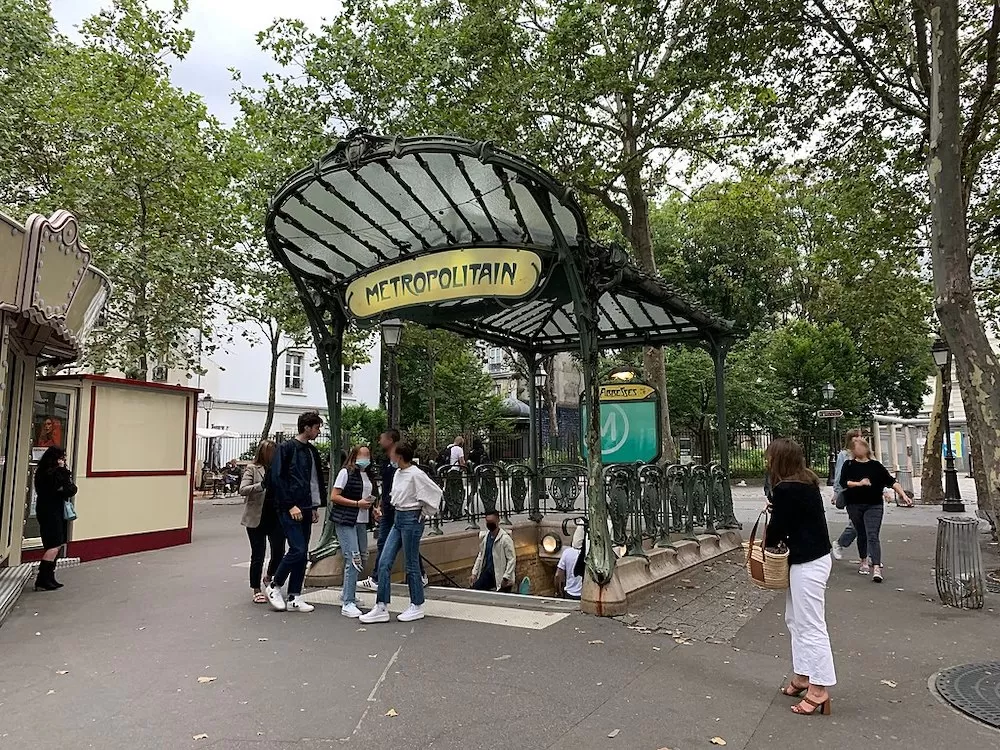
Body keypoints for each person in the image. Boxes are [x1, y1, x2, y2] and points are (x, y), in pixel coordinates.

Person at [765, 438, 836, 717]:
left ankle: (819, 688)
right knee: (796, 619)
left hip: (807, 561)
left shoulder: (786, 488)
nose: (767, 461)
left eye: (770, 457)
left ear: (780, 459)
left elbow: (778, 529)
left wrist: (770, 536)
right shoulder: (805, 482)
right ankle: (804, 675)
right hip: (814, 557)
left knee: (810, 624)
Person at [360, 441, 442, 624]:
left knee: (411, 563)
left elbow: (435, 493)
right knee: (384, 562)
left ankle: (416, 604)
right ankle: (381, 605)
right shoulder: (399, 472)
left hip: (410, 518)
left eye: (392, 454)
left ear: (399, 456)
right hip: (400, 517)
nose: (389, 456)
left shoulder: (416, 474)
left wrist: (423, 514)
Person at [265, 411, 325, 613]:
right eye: (317, 427)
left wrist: (314, 506)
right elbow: (277, 478)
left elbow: (314, 480)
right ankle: (275, 585)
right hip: (290, 507)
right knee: (298, 549)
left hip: (305, 506)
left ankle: (294, 596)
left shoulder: (310, 451)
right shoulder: (287, 448)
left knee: (301, 552)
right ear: (307, 427)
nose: (318, 431)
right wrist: (290, 504)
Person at [359, 430, 427, 591]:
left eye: (382, 438)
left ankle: (416, 590)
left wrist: (422, 512)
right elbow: (390, 489)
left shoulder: (412, 472)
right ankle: (380, 586)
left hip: (404, 514)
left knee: (405, 549)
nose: (379, 440)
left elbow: (430, 493)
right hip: (392, 510)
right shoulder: (391, 467)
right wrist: (381, 505)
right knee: (389, 545)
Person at [841, 436, 910, 583]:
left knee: (873, 534)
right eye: (854, 447)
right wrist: (859, 484)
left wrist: (903, 494)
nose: (856, 449)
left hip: (874, 504)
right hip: (854, 504)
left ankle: (877, 567)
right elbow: (844, 482)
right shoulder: (848, 465)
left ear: (866, 448)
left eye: (859, 446)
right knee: (861, 533)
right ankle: (864, 560)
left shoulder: (876, 466)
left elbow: (891, 482)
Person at [330, 445, 378, 618]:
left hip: (361, 521)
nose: (366, 458)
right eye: (362, 454)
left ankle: (347, 593)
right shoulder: (346, 473)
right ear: (355, 456)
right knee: (354, 557)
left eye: (368, 454)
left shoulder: (368, 475)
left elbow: (370, 497)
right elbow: (334, 496)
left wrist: (373, 509)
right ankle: (348, 602)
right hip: (346, 519)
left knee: (362, 556)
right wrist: (357, 504)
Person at [240, 440, 285, 604]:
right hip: (256, 518)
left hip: (276, 516)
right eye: (270, 452)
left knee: (279, 551)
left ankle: (269, 576)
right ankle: (256, 589)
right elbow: (243, 489)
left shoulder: (280, 470)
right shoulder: (252, 468)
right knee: (258, 554)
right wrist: (261, 485)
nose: (273, 455)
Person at [32, 446, 76, 591]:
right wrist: (62, 471)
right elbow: (68, 488)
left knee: (55, 543)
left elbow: (70, 489)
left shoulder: (42, 472)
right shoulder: (52, 474)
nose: (63, 460)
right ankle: (43, 578)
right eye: (61, 458)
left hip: (48, 509)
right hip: (51, 510)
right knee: (54, 544)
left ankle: (49, 577)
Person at [830, 429, 863, 561]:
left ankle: (872, 558)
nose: (860, 439)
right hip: (851, 493)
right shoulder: (844, 455)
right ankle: (840, 543)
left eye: (861, 436)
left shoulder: (866, 453)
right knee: (856, 524)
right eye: (857, 437)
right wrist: (836, 492)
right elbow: (839, 474)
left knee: (870, 527)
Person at [469, 510, 516, 593]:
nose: (489, 524)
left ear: (498, 521)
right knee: (475, 591)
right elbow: (481, 556)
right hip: (488, 573)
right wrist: (474, 573)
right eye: (488, 522)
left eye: (492, 522)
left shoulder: (505, 539)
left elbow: (511, 559)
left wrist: (506, 577)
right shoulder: (486, 537)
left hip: (502, 575)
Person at [554, 526, 585, 600]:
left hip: (569, 593)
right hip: (585, 595)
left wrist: (557, 592)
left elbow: (558, 575)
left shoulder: (567, 552)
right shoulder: (589, 554)